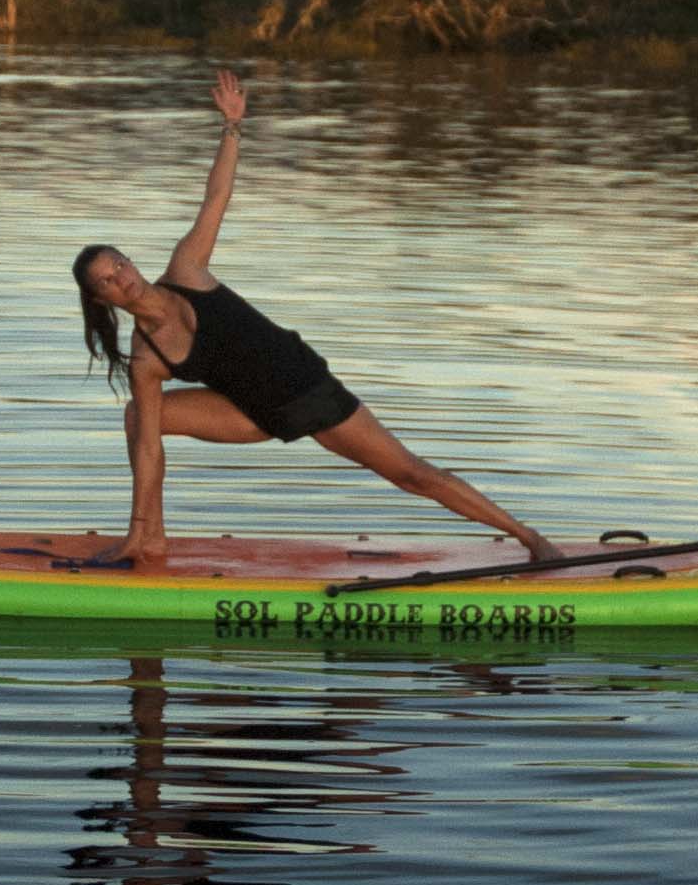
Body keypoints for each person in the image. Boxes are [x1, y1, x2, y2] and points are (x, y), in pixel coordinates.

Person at [74, 70, 560, 570]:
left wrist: (232, 127)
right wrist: (134, 527)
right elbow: (149, 452)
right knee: (139, 418)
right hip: (249, 412)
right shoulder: (146, 360)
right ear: (102, 300)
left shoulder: (186, 270)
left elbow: (215, 198)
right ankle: (149, 540)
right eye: (107, 281)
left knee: (414, 475)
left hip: (306, 389)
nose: (121, 279)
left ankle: (529, 537)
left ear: (131, 260)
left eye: (120, 265)